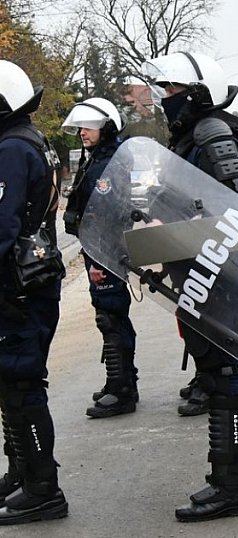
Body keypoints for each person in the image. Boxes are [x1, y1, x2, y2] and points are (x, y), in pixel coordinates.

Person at [141, 51, 238, 521]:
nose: (164, 99)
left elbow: (227, 211)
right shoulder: (194, 136)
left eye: (171, 90)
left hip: (221, 276)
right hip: (208, 273)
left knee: (226, 374)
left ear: (194, 93)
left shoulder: (213, 136)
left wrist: (175, 228)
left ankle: (229, 485)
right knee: (232, 370)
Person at [0, 60, 68, 524]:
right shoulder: (31, 139)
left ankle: (43, 488)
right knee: (12, 385)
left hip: (15, 287)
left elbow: (1, 227)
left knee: (21, 385)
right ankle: (23, 472)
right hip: (34, 281)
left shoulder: (8, 149)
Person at [62, 98, 139, 418]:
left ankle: (122, 390)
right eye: (80, 126)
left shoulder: (111, 160)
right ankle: (119, 381)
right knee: (107, 316)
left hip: (105, 250)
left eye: (89, 126)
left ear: (106, 126)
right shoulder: (99, 157)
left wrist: (100, 258)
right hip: (97, 249)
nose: (82, 131)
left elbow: (105, 211)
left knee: (112, 316)